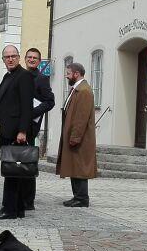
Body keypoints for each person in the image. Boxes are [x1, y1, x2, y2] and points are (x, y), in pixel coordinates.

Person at [0, 45, 35, 220]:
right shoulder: (8, 76)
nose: (10, 59)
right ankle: (17, 208)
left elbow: (26, 106)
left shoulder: (24, 76)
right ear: (3, 60)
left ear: (18, 57)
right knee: (13, 171)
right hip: (7, 130)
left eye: (13, 56)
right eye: (7, 57)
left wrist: (22, 131)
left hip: (16, 132)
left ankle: (9, 209)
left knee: (12, 171)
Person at [56, 63, 97, 207]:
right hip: (74, 136)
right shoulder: (77, 89)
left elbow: (81, 118)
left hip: (80, 138)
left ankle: (82, 198)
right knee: (74, 166)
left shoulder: (84, 91)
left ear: (76, 74)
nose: (66, 76)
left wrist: (75, 137)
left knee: (80, 167)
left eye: (68, 73)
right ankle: (77, 196)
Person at [24, 47, 55, 210]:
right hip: (16, 124)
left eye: (34, 58)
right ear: (25, 59)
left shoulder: (42, 79)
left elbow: (50, 101)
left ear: (39, 61)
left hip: (30, 126)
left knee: (28, 163)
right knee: (15, 162)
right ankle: (16, 196)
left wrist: (34, 112)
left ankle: (28, 201)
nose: (31, 60)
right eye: (29, 57)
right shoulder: (19, 75)